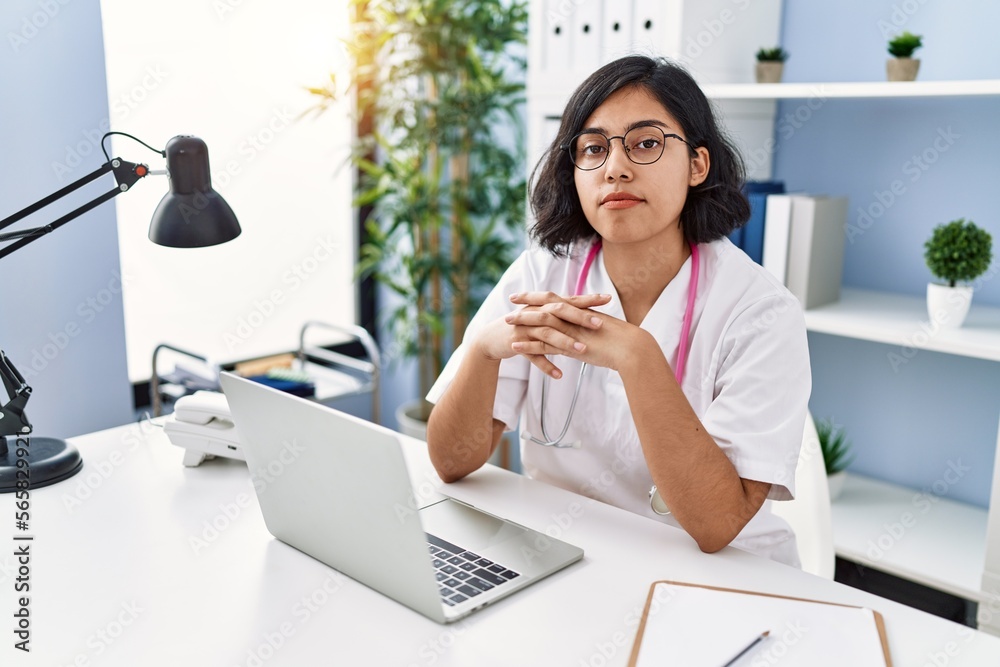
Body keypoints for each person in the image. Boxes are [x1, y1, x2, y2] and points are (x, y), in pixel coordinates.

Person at [425, 55, 811, 566]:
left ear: (698, 164)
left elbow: (717, 525)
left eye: (646, 142)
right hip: (569, 555)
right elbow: (451, 462)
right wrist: (482, 351)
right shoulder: (541, 275)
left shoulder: (761, 312)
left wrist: (638, 357)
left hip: (725, 577)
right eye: (593, 148)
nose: (616, 167)